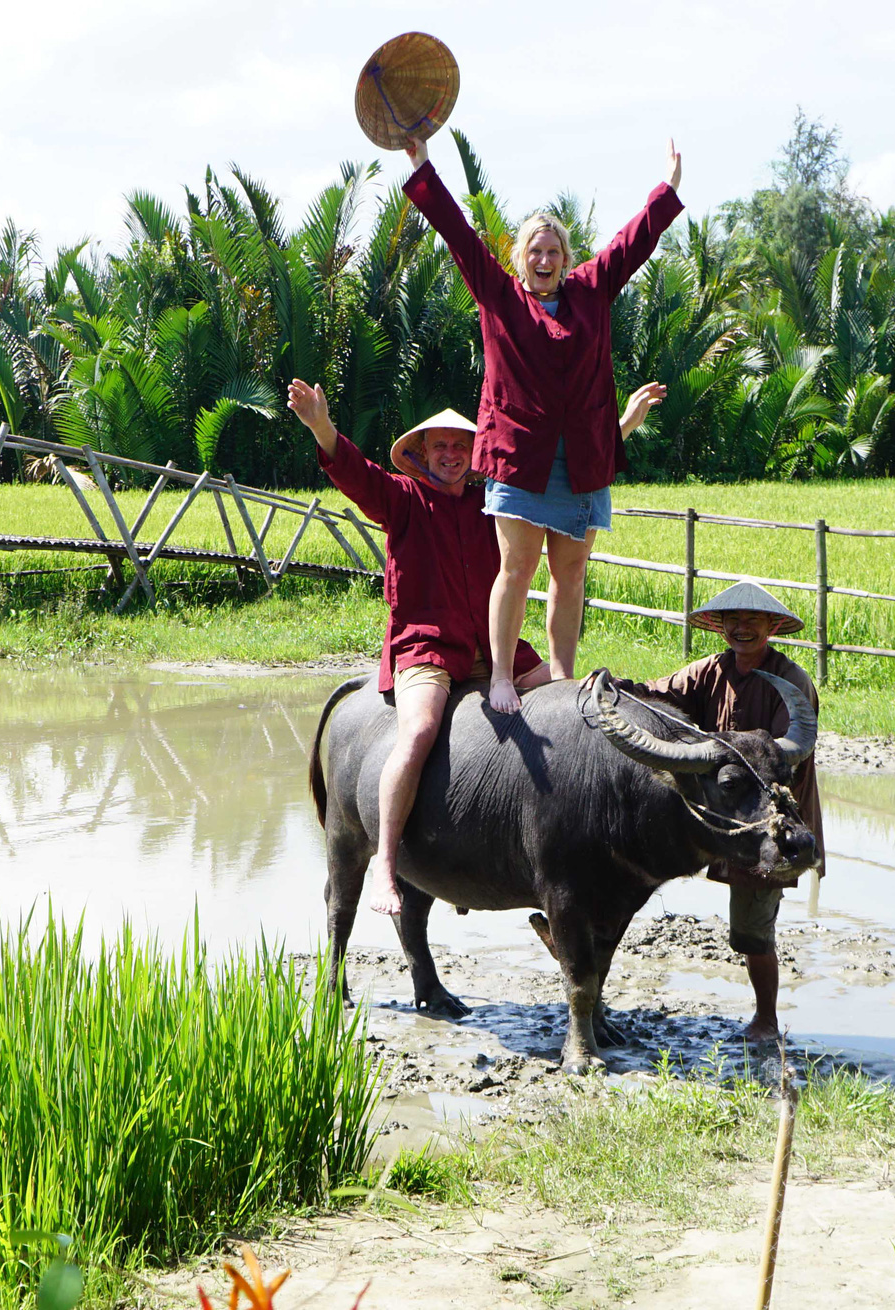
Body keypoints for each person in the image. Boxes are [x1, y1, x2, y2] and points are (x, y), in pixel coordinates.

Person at [288, 377, 664, 917]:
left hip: (494, 651)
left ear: (475, 454)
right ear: (419, 454)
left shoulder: (493, 506)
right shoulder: (402, 499)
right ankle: (387, 866)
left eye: (461, 446)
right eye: (439, 446)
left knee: (572, 696)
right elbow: (356, 475)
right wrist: (321, 426)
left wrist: (624, 425)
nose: (451, 455)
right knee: (417, 731)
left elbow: (562, 471)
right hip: (427, 648)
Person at [399, 131, 685, 714]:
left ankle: (560, 675)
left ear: (566, 257)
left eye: (553, 250)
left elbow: (631, 245)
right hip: (520, 461)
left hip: (580, 463)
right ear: (520, 259)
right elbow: (458, 234)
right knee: (516, 567)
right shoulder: (501, 298)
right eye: (535, 250)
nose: (545, 259)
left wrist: (667, 191)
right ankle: (502, 674)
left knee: (570, 574)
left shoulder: (590, 292)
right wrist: (422, 165)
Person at [627, 581, 824, 1042]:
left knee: (752, 928)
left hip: (768, 818)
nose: (741, 629)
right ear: (718, 626)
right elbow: (658, 695)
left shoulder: (792, 682)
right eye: (731, 621)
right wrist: (616, 688)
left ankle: (766, 1021)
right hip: (723, 811)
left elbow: (782, 760)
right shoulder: (709, 671)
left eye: (752, 621)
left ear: (772, 627)